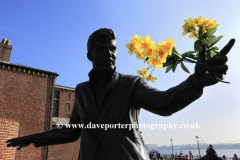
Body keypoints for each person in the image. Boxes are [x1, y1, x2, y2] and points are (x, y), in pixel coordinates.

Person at [6, 28, 235, 160]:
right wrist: (32, 138)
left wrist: (195, 82)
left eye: (113, 49)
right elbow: (71, 132)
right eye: (102, 49)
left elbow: (163, 103)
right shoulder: (82, 90)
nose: (110, 53)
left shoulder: (131, 84)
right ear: (90, 55)